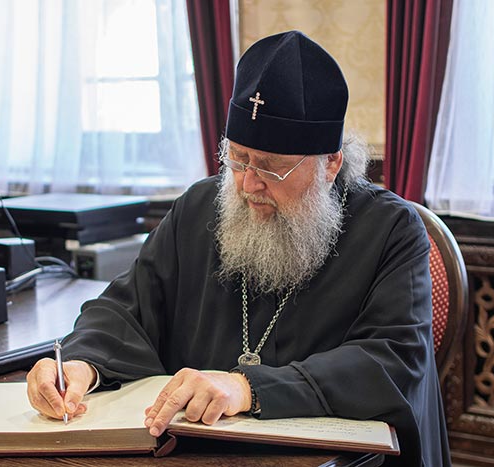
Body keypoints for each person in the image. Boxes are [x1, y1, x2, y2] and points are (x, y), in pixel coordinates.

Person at [26, 30, 451, 466]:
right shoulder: (198, 208)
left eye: (271, 168)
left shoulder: (391, 230)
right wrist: (81, 364)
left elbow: (390, 360)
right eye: (238, 159)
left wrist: (248, 388)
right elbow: (126, 307)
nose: (248, 185)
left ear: (330, 163)